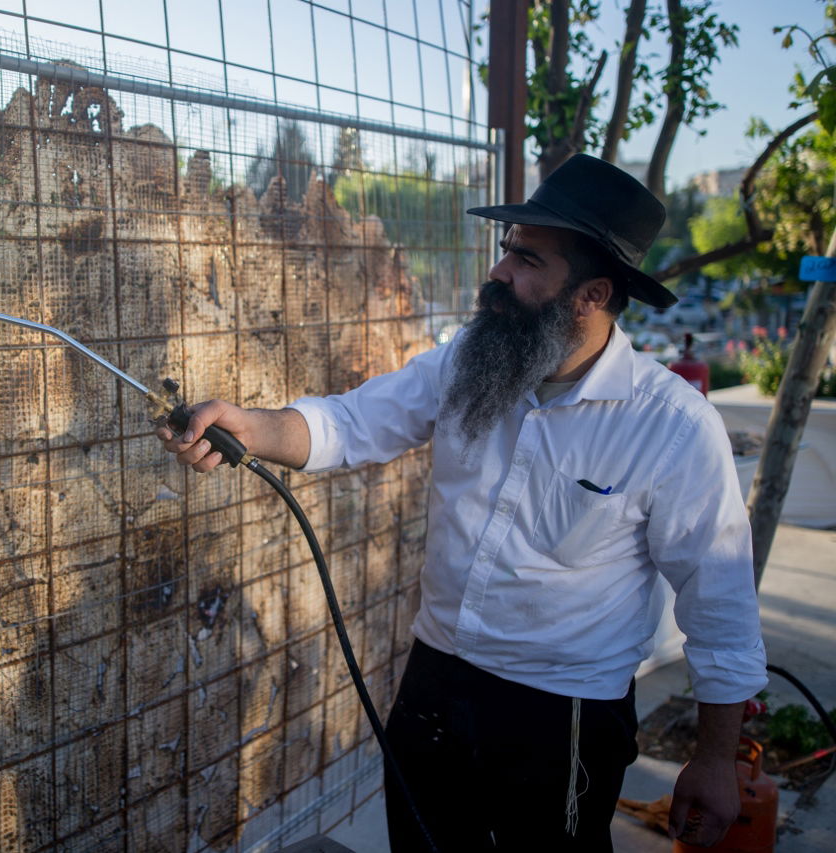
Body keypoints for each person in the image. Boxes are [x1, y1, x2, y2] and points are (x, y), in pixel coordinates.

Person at [154, 154, 766, 851]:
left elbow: (719, 605)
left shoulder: (672, 426)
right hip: (436, 680)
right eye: (507, 249)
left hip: (563, 715)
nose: (499, 271)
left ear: (591, 295)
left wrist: (715, 759)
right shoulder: (472, 357)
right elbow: (355, 422)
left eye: (527, 260)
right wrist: (252, 426)